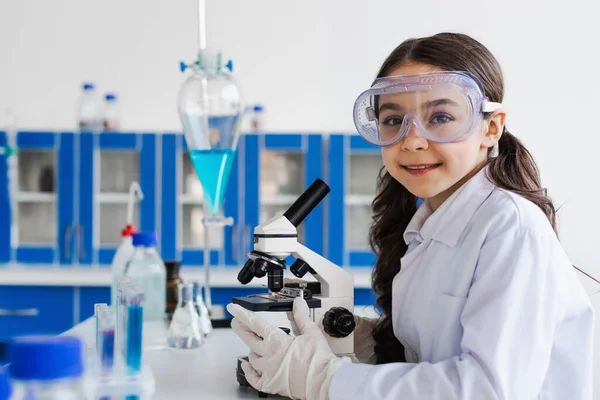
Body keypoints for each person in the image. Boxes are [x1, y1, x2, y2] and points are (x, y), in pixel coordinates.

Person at [226, 32, 594, 399]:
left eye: (441, 117)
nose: (412, 140)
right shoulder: (425, 230)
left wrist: (326, 380)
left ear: (490, 127)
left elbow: (489, 390)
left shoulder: (510, 227)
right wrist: (368, 341)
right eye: (393, 119)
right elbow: (433, 357)